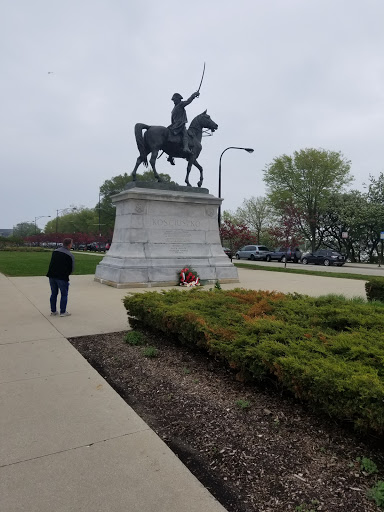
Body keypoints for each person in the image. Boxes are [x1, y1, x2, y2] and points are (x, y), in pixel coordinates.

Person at [47, 238, 75, 317]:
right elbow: (72, 268)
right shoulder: (70, 255)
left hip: (52, 276)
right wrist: (67, 274)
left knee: (54, 293)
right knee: (64, 294)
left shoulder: (55, 252)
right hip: (62, 277)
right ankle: (63, 312)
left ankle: (53, 311)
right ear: (69, 244)